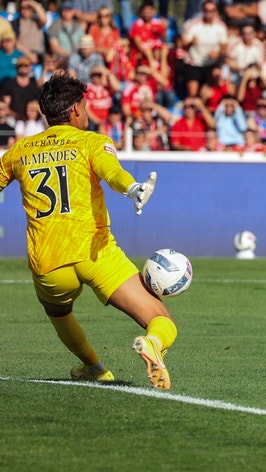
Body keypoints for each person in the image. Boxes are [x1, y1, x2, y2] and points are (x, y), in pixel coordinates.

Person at [0, 73, 175, 389]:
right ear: (76, 111)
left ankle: (93, 367)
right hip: (96, 251)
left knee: (59, 314)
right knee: (160, 319)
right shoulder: (92, 141)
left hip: (48, 261)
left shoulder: (19, 151)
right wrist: (132, 188)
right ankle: (153, 342)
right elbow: (113, 173)